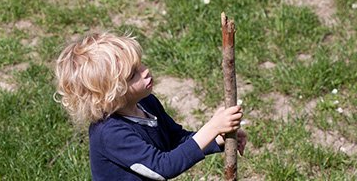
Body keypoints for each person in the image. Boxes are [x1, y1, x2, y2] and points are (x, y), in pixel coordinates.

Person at [54, 32, 247, 180]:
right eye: (133, 75)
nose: (145, 71)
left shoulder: (147, 102)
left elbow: (175, 140)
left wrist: (217, 139)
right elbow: (162, 167)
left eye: (140, 64)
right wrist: (212, 126)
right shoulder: (110, 133)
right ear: (110, 94)